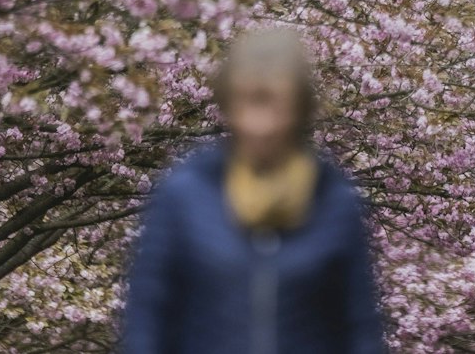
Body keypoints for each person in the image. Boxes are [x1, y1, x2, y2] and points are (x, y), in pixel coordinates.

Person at [121, 26, 387, 354]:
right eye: (248, 102)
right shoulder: (185, 194)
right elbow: (149, 316)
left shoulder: (333, 200)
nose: (261, 124)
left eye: (276, 104)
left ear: (300, 109)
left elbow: (358, 325)